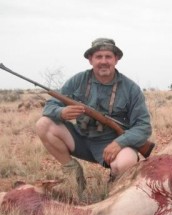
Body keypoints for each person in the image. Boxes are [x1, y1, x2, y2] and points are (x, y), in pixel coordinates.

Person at [36, 38, 152, 198]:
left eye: (108, 56)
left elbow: (143, 127)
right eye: (98, 57)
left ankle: (115, 182)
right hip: (80, 139)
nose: (103, 61)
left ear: (116, 59)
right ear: (91, 60)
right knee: (43, 124)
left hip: (111, 146)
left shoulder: (131, 88)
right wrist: (61, 112)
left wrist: (120, 142)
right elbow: (50, 106)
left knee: (127, 162)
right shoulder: (78, 80)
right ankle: (73, 173)